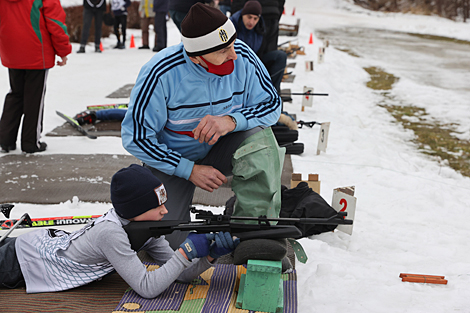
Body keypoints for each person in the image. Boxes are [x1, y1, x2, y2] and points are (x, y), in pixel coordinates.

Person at [121, 3, 285, 250]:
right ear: (196, 57)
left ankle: (254, 231)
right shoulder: (160, 72)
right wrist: (188, 170)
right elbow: (136, 137)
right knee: (165, 245)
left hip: (222, 150)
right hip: (173, 161)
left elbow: (272, 104)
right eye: (223, 51)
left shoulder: (242, 55)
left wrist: (231, 121)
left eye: (232, 44)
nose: (234, 55)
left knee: (259, 140)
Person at [0, 164, 239, 297]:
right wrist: (185, 252)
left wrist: (210, 256)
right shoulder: (111, 233)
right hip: (22, 262)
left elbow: (180, 274)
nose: (165, 211)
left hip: (39, 248)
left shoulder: (144, 230)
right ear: (135, 209)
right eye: (157, 206)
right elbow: (147, 288)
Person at [0, 0, 71, 154]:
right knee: (34, 99)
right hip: (37, 50)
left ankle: (5, 140)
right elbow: (55, 23)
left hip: (11, 49)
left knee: (15, 94)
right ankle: (30, 142)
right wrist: (63, 50)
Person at [230, 0, 286, 93]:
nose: (251, 22)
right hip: (235, 64)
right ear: (243, 14)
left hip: (253, 63)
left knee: (280, 56)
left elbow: (260, 53)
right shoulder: (232, 25)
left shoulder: (260, 27)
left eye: (255, 19)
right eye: (249, 17)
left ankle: (271, 92)